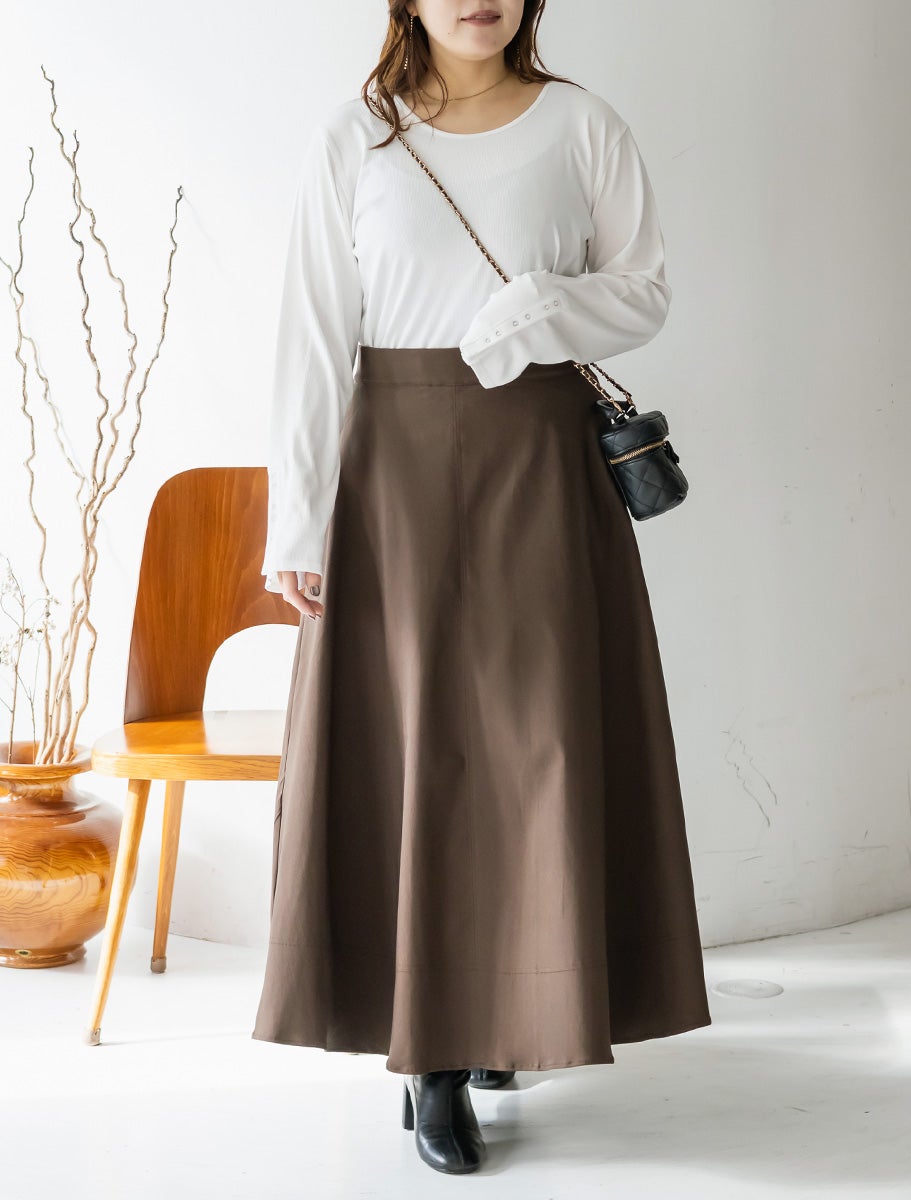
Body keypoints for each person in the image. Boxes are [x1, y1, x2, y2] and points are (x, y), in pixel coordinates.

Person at [251, 0, 712, 1176]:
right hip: (392, 475)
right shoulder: (357, 136)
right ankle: (436, 1060)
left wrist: (537, 308)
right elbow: (312, 336)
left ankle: (513, 1010)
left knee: (535, 745)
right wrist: (296, 521)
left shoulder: (582, 125)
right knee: (420, 751)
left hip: (539, 462)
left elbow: (645, 289)